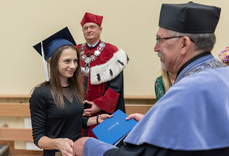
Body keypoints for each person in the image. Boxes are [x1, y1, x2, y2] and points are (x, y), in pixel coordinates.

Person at [72, 2, 229, 156]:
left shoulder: (183, 92)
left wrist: (89, 147)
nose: (155, 48)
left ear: (184, 44)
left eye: (160, 40)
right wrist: (152, 122)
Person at [30, 27, 112, 156]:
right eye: (67, 61)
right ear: (53, 62)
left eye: (75, 61)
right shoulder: (41, 93)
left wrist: (96, 119)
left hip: (77, 151)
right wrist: (58, 143)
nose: (73, 66)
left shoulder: (78, 89)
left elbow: (75, 120)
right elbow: (38, 138)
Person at [76, 12, 129, 137]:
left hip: (103, 111)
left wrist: (99, 105)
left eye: (92, 27)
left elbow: (116, 87)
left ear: (100, 29)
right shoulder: (75, 50)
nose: (89, 30)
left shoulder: (112, 52)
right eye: (85, 28)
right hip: (80, 110)